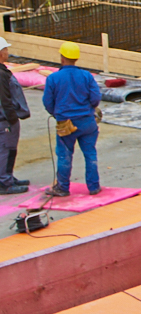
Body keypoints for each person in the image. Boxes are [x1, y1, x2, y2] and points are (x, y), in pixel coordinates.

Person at [43, 40, 101, 198]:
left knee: (64, 154)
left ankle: (62, 187)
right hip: (87, 121)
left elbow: (47, 102)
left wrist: (57, 114)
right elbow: (95, 98)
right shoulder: (86, 76)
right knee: (90, 153)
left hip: (65, 122)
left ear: (62, 58)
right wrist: (88, 109)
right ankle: (94, 186)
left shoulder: (54, 78)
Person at [0, 37, 28, 195]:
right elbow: (4, 99)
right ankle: (4, 182)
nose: (7, 53)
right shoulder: (0, 74)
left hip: (6, 118)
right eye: (5, 50)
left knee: (9, 149)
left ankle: (7, 177)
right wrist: (12, 118)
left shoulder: (2, 71)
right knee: (6, 149)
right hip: (5, 120)